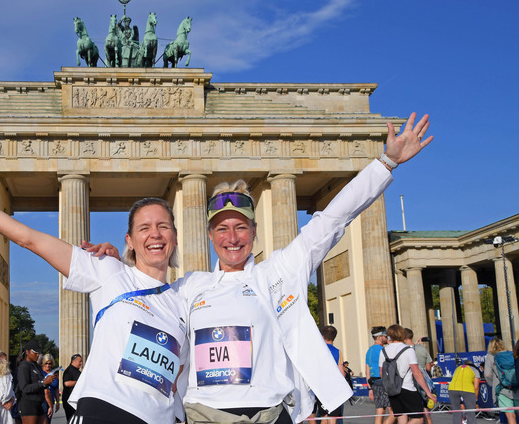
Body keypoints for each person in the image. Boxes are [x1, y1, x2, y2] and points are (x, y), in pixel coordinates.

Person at [169, 114, 433, 423]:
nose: (232, 238)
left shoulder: (279, 271)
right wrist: (110, 258)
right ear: (210, 235)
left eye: (240, 227)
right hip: (203, 415)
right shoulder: (190, 286)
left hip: (269, 414)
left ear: (254, 231)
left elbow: (333, 218)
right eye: (222, 229)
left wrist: (386, 162)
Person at [0, 177, 189, 423]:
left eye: (163, 226)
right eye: (144, 227)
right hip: (104, 410)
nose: (155, 234)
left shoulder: (185, 299)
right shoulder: (110, 272)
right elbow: (29, 239)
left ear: (175, 237)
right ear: (129, 239)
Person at [378, 325, 436, 424]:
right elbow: (416, 373)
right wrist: (428, 392)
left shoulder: (383, 351)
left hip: (392, 389)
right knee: (418, 418)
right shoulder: (408, 350)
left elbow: (382, 373)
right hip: (407, 388)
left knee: (401, 418)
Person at [314, 326, 347, 424]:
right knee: (333, 416)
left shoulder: (317, 351)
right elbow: (342, 374)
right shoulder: (337, 352)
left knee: (324, 416)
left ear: (322, 336)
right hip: (334, 389)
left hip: (321, 388)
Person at [15, 341, 52, 424]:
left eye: (38, 353)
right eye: (35, 352)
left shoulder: (37, 366)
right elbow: (24, 388)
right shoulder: (24, 366)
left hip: (39, 403)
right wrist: (43, 383)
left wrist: (48, 382)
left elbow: (41, 384)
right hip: (28, 404)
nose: (38, 355)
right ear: (27, 352)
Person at [485, 338, 519, 424]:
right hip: (517, 387)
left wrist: (492, 383)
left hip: (502, 389)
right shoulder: (511, 353)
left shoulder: (490, 356)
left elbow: (487, 374)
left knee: (510, 416)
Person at [403, 329, 433, 424]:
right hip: (422, 383)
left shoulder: (402, 349)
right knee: (425, 411)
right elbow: (428, 368)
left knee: (407, 414)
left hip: (408, 384)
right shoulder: (422, 348)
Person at [61, 354, 81, 423]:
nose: (81, 363)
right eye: (80, 361)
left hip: (76, 401)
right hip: (69, 401)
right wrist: (78, 382)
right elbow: (67, 383)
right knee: (71, 421)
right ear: (74, 361)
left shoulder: (77, 371)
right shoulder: (69, 370)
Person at [39, 355, 58, 424]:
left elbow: (56, 389)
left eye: (49, 363)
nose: (48, 365)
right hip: (42, 401)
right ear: (42, 363)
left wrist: (58, 402)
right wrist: (50, 405)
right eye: (46, 363)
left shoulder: (54, 373)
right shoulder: (40, 373)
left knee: (49, 421)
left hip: (51, 400)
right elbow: (45, 391)